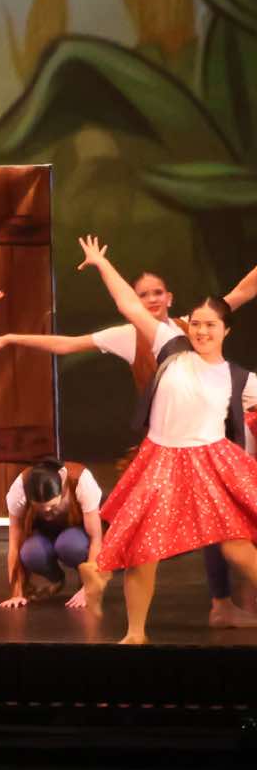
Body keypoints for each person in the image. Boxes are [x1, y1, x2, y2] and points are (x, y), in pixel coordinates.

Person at [0, 262, 257, 627]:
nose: (151, 300)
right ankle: (114, 592)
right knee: (148, 543)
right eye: (144, 294)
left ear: (171, 298)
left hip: (209, 452)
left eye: (158, 292)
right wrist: (12, 338)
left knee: (228, 537)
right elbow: (71, 341)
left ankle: (218, 603)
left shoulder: (198, 330)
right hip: (164, 451)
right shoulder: (154, 338)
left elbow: (242, 290)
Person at [71, 237, 257, 644]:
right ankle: (135, 632)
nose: (202, 331)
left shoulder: (239, 378)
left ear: (226, 330)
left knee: (237, 547)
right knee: (145, 550)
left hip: (212, 464)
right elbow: (128, 305)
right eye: (197, 324)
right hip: (163, 461)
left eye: (211, 325)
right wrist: (102, 264)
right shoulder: (169, 345)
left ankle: (103, 578)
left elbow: (246, 289)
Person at [0, 460, 107, 613]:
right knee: (30, 552)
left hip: (76, 536)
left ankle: (83, 582)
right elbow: (14, 544)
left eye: (53, 506)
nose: (48, 514)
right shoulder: (19, 489)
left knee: (69, 545)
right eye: (40, 509)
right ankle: (56, 578)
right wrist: (17, 593)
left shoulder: (82, 481)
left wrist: (90, 587)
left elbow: (96, 539)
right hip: (44, 534)